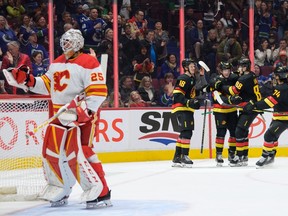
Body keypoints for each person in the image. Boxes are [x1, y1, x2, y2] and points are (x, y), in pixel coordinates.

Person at [8, 29, 111, 208]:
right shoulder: (57, 62)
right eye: (64, 41)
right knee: (52, 151)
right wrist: (29, 81)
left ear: (78, 43)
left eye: (69, 42)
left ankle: (101, 193)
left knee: (81, 151)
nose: (65, 45)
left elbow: (99, 91)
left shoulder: (89, 61)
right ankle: (59, 188)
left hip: (82, 114)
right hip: (59, 113)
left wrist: (84, 111)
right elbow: (48, 85)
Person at [216, 58, 262, 166]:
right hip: (251, 106)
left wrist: (221, 86)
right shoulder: (251, 75)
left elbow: (233, 91)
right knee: (244, 131)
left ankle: (240, 156)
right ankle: (244, 155)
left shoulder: (244, 78)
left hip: (249, 108)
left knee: (239, 131)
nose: (239, 68)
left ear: (244, 67)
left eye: (241, 66)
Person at [243, 66, 288, 168]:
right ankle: (271, 155)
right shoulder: (283, 87)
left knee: (269, 136)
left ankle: (265, 156)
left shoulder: (281, 88)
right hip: (279, 117)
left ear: (277, 77)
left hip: (284, 119)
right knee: (274, 137)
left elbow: (270, 102)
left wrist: (255, 105)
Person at [171, 58, 207, 168]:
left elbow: (198, 91)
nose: (194, 68)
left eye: (194, 66)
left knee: (184, 132)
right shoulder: (183, 78)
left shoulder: (192, 78)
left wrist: (202, 76)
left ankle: (177, 157)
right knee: (187, 132)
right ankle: (184, 156)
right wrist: (188, 102)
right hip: (181, 108)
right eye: (191, 66)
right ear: (186, 68)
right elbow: (177, 95)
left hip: (187, 108)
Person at [210, 61, 242, 166]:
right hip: (220, 111)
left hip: (232, 110)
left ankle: (231, 153)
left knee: (233, 133)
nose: (226, 72)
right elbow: (217, 97)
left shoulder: (233, 79)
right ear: (221, 70)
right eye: (224, 70)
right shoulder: (216, 81)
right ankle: (219, 154)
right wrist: (231, 100)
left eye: (228, 70)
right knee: (221, 133)